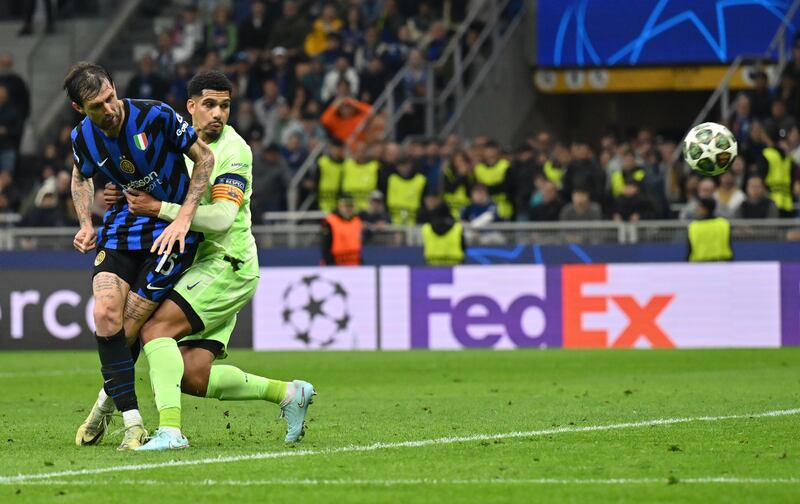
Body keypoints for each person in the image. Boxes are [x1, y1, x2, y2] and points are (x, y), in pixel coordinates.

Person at [79, 71, 315, 451]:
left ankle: (169, 431)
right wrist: (121, 195)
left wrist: (159, 208)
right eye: (209, 105)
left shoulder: (233, 152)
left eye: (224, 105)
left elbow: (221, 219)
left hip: (226, 262)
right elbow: (148, 183)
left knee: (153, 330)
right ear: (190, 107)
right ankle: (289, 394)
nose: (218, 113)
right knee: (193, 376)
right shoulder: (178, 142)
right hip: (195, 263)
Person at [66, 62, 214, 450]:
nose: (110, 108)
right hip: (120, 231)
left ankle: (102, 408)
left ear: (116, 88)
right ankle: (133, 422)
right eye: (98, 105)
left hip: (168, 237)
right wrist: (85, 222)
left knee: (129, 326)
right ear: (81, 109)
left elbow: (205, 159)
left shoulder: (156, 115)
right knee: (104, 314)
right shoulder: (82, 136)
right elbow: (81, 175)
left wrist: (183, 218)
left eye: (111, 97)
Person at [473, 140, 513, 220]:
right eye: (488, 150)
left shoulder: (505, 165)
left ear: (497, 152)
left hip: (502, 208)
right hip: (482, 209)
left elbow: (507, 186)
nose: (490, 154)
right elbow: (476, 187)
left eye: (492, 150)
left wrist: (486, 189)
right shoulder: (478, 168)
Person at [321, 193, 363, 265]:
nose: (348, 209)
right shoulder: (331, 222)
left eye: (351, 206)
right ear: (339, 206)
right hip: (336, 263)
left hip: (354, 264)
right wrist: (331, 265)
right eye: (345, 206)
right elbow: (325, 247)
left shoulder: (357, 221)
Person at [422, 202, 466, 266]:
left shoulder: (426, 228)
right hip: (455, 266)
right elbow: (463, 247)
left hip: (432, 266)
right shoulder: (457, 228)